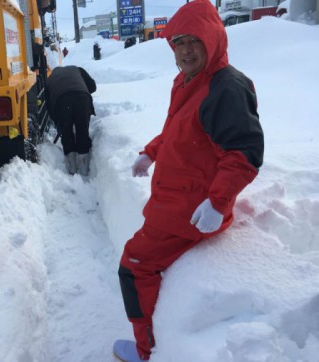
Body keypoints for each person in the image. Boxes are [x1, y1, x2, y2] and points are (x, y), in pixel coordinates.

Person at [112, 1, 264, 361]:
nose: (185, 50)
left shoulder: (226, 87)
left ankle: (145, 350)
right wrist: (151, 152)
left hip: (191, 210)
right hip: (173, 199)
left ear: (213, 39)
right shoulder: (189, 81)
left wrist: (217, 202)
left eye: (194, 41)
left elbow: (244, 152)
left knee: (133, 265)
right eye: (178, 42)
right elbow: (177, 132)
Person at [45, 66, 97, 176]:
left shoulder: (49, 79)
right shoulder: (76, 69)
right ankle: (83, 167)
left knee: (67, 132)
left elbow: (48, 106)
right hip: (82, 97)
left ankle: (72, 167)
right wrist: (80, 90)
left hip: (61, 100)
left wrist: (58, 121)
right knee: (82, 131)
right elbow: (92, 86)